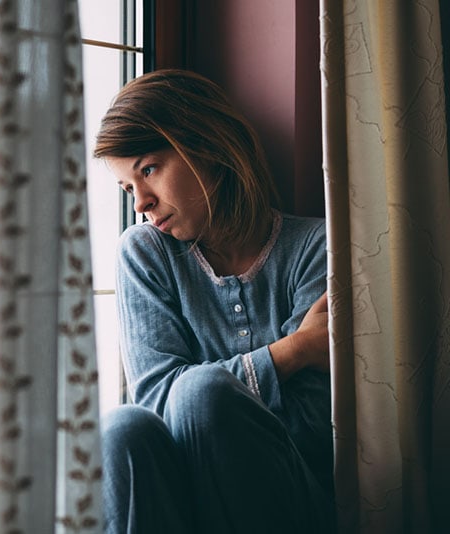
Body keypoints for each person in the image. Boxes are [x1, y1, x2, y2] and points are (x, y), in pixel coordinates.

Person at [94, 69, 335, 533]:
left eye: (148, 169)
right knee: (120, 430)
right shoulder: (144, 253)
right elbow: (159, 401)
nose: (141, 202)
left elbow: (313, 427)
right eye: (128, 188)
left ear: (207, 145)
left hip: (288, 500)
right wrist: (293, 350)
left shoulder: (314, 248)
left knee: (200, 392)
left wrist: (217, 396)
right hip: (177, 509)